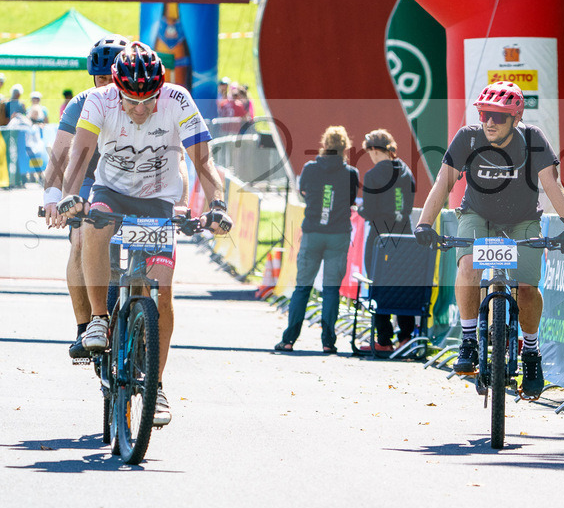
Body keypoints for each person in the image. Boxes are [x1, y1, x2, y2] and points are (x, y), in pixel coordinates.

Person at [56, 42, 232, 427]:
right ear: (116, 89)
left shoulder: (178, 100)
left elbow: (203, 160)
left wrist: (217, 204)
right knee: (93, 223)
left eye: (148, 100)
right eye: (131, 100)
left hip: (159, 199)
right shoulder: (99, 101)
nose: (139, 108)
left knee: (161, 294)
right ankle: (99, 318)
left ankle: (157, 383)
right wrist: (70, 195)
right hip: (112, 191)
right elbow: (80, 154)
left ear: (161, 90)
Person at [413, 81, 564, 399]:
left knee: (528, 287)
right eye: (485, 114)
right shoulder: (468, 137)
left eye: (499, 116)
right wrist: (424, 224)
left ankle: (531, 354)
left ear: (516, 118)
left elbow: (552, 184)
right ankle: (467, 340)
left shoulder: (533, 140)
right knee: (467, 266)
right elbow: (443, 181)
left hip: (523, 220)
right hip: (478, 217)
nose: (489, 122)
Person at [43, 35, 128, 358]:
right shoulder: (82, 103)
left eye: (113, 78)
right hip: (89, 178)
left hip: (127, 178)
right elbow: (60, 154)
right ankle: (84, 328)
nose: (107, 84)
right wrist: (54, 196)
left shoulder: (142, 100)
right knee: (80, 240)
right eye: (101, 78)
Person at [274, 126, 359, 354]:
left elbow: (302, 191)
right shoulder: (351, 173)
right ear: (344, 148)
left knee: (302, 287)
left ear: (324, 144)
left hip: (313, 232)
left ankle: (289, 339)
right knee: (331, 290)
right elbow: (351, 199)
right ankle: (328, 342)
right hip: (338, 235)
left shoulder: (310, 168)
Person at [357, 129, 416, 353]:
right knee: (404, 284)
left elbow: (371, 210)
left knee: (378, 284)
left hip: (380, 238)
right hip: (405, 237)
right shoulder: (407, 172)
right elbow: (405, 206)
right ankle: (406, 337)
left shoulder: (373, 175)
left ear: (373, 150)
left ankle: (384, 339)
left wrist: (360, 210)